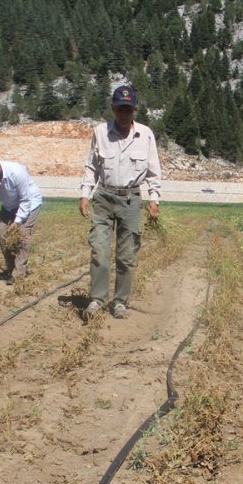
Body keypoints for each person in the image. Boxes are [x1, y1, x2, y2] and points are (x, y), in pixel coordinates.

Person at [79, 85, 161, 320]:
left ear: (134, 109)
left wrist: (154, 199)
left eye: (128, 110)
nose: (123, 115)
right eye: (119, 110)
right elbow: (92, 166)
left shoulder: (145, 134)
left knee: (127, 256)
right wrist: (85, 194)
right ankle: (96, 299)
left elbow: (154, 171)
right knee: (99, 251)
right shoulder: (100, 132)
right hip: (103, 197)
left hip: (131, 199)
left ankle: (120, 302)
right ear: (113, 109)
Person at [0, 155, 43, 285]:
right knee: (2, 233)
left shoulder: (17, 172)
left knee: (23, 236)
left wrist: (17, 222)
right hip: (8, 206)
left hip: (30, 203)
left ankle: (18, 273)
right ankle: (11, 268)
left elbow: (25, 200)